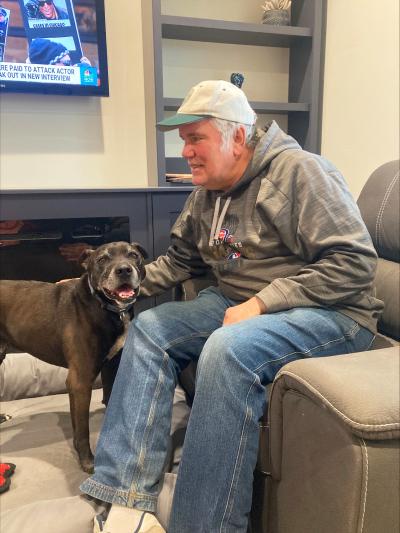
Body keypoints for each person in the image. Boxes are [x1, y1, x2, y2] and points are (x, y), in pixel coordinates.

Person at [80, 80, 383, 533]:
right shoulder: (207, 193)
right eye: (183, 141)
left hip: (333, 312)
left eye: (196, 138)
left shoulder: (301, 172)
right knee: (149, 329)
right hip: (238, 301)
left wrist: (263, 302)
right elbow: (180, 260)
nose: (186, 152)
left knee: (227, 348)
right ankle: (126, 504)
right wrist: (107, 289)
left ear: (236, 136)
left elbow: (355, 263)